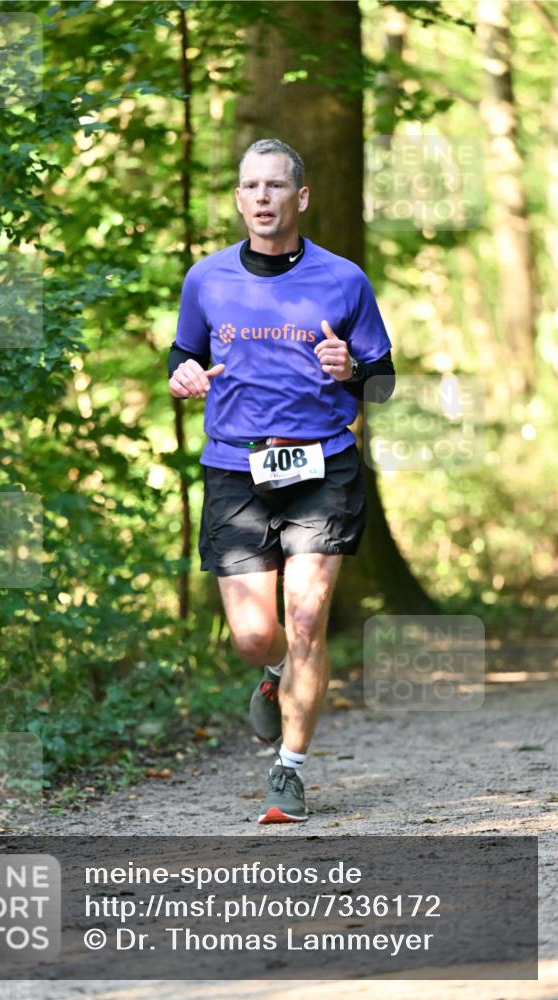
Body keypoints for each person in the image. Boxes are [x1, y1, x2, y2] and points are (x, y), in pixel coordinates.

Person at [168, 138, 394, 824]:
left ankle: (289, 772)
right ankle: (271, 678)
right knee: (252, 637)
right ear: (238, 199)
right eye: (249, 186)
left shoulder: (343, 280)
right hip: (235, 468)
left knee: (304, 620)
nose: (261, 198)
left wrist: (348, 369)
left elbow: (381, 383)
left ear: (300, 198)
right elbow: (184, 353)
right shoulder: (205, 279)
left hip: (322, 466)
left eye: (274, 186)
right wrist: (179, 375)